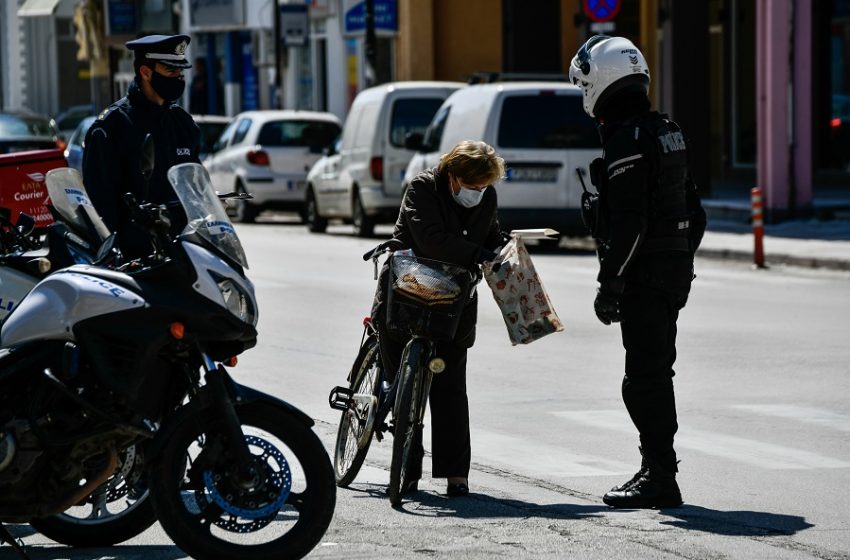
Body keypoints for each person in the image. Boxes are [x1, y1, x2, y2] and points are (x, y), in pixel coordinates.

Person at [568, 35, 706, 508]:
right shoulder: (665, 129)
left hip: (646, 276)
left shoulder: (628, 138)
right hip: (669, 271)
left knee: (644, 379)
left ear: (600, 82)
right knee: (654, 373)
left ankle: (659, 476)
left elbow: (631, 223)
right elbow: (695, 212)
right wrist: (680, 261)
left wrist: (611, 284)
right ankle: (657, 470)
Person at [372, 140, 506, 497]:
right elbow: (431, 242)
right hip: (406, 293)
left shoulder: (485, 197)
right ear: (453, 176)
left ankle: (456, 474)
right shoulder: (422, 188)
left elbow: (492, 236)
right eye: (474, 186)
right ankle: (407, 470)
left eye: (484, 187)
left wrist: (506, 249)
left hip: (453, 303)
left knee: (450, 386)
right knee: (403, 379)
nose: (479, 193)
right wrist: (482, 254)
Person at [83, 34, 201, 259]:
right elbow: (99, 204)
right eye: (171, 72)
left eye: (180, 72)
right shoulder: (112, 127)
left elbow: (195, 185)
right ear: (145, 72)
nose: (178, 78)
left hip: (184, 254)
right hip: (136, 261)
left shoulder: (183, 125)